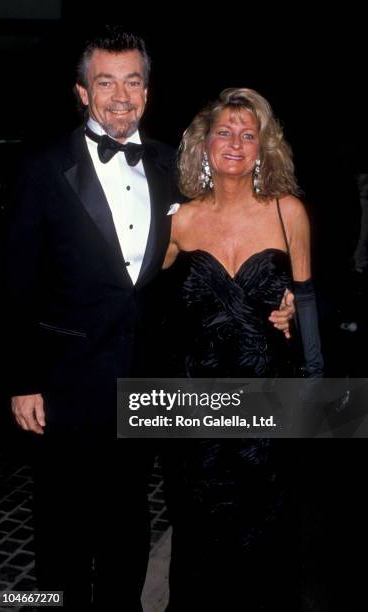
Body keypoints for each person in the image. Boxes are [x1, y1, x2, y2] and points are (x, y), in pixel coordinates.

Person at [5, 27, 294, 609]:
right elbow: (13, 282)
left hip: (146, 378)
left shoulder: (171, 167)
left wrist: (285, 297)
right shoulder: (42, 168)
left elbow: (231, 215)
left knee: (127, 519)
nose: (119, 95)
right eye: (105, 82)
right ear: (82, 92)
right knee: (60, 525)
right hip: (64, 381)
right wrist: (21, 380)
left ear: (146, 91)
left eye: (131, 81)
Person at [161, 88, 324, 610]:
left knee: (267, 533)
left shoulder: (287, 212)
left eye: (248, 134)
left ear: (263, 147)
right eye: (224, 132)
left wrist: (298, 325)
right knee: (197, 529)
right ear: (203, 145)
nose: (235, 142)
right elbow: (129, 301)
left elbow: (310, 307)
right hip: (195, 406)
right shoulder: (178, 220)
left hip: (269, 402)